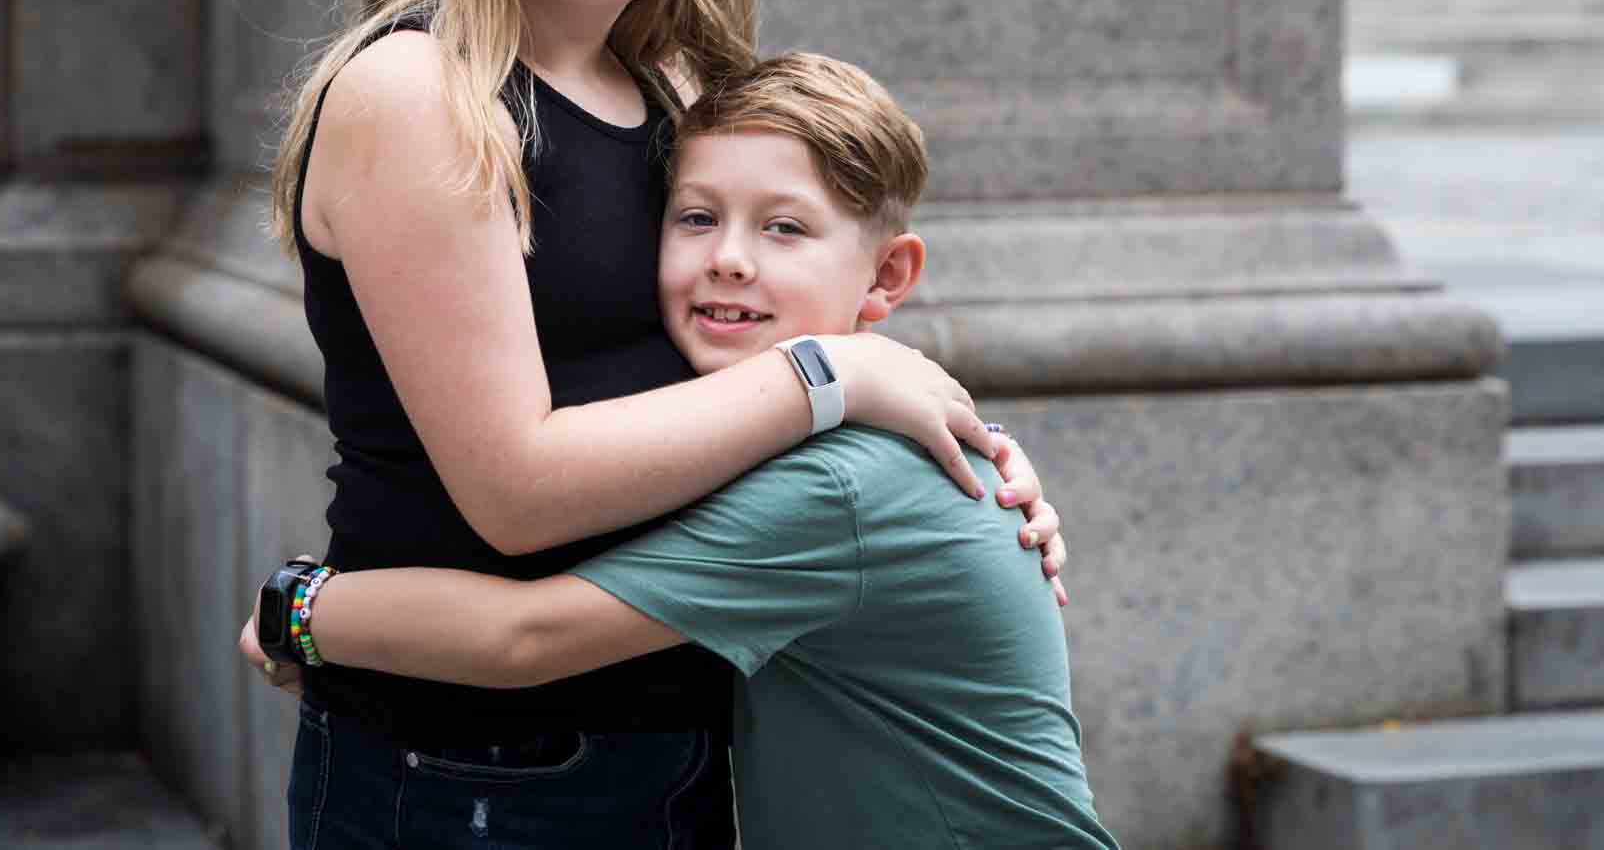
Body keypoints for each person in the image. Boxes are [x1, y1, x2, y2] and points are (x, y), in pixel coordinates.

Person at [263, 0, 1064, 848]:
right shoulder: (424, 92)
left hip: (682, 743)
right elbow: (517, 490)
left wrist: (970, 467)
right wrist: (833, 379)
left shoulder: (680, 92)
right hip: (472, 767)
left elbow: (764, 348)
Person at [246, 54, 1116, 849]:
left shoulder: (836, 486)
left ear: (888, 276)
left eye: (784, 229)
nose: (729, 259)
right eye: (696, 217)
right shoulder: (797, 437)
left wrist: (299, 612)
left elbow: (526, 636)